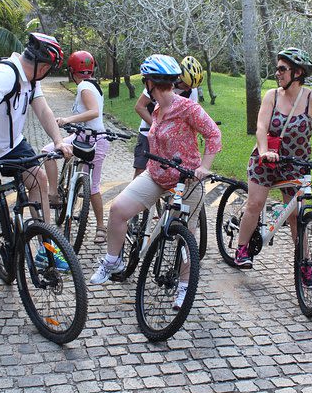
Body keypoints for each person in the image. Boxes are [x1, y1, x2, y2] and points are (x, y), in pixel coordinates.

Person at [89, 54, 221, 309]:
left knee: (186, 237)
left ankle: (183, 287)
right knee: (117, 210)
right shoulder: (158, 108)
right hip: (156, 174)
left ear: (151, 82)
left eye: (146, 79)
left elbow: (213, 134)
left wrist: (204, 167)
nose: (144, 83)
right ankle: (112, 260)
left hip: (187, 179)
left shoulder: (188, 108)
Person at [0, 32, 72, 306]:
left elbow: (42, 110)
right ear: (44, 67)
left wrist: (58, 140)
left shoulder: (30, 80)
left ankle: (46, 245)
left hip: (11, 145)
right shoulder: (4, 75)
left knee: (38, 178)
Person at [234, 47, 312, 278]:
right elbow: (261, 127)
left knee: (295, 216)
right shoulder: (272, 96)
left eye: (282, 69)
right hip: (266, 161)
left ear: (298, 72)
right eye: (277, 68)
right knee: (255, 204)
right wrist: (263, 151)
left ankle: (304, 264)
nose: (277, 73)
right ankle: (241, 249)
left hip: (295, 165)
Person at [42, 50, 110, 243]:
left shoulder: (84, 87)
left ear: (72, 71)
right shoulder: (93, 85)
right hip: (83, 136)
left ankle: (54, 194)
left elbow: (94, 112)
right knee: (49, 151)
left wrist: (66, 119)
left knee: (92, 186)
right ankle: (100, 228)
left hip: (93, 140)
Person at [132, 55, 204, 177]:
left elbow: (190, 115)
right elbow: (139, 107)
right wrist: (157, 126)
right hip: (148, 131)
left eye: (191, 87)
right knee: (141, 170)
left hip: (171, 137)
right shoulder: (159, 84)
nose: (188, 89)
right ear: (179, 78)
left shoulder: (192, 91)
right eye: (186, 85)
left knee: (173, 171)